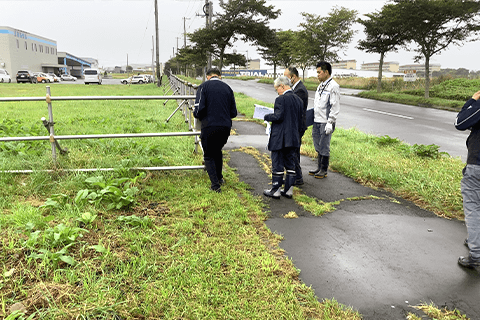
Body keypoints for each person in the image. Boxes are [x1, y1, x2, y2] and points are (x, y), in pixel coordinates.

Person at [194, 68, 237, 193]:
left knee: (208, 154)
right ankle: (220, 178)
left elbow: (199, 109)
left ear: (208, 76)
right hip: (225, 127)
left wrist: (196, 114)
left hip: (209, 125)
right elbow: (233, 112)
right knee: (217, 151)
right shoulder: (228, 88)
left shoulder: (203, 87)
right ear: (219, 76)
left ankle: (215, 186)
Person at [263, 76, 304, 199]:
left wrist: (267, 116)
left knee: (277, 163)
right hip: (293, 138)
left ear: (282, 85)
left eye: (277, 89)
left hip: (280, 138)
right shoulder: (299, 100)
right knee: (291, 164)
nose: (277, 91)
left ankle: (275, 190)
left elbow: (278, 116)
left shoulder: (280, 99)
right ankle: (288, 190)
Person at [456, 90, 480, 268]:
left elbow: (460, 122)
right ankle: (475, 238)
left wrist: (472, 100)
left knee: (473, 207)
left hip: (477, 166)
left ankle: (476, 253)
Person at [309, 61, 340, 179]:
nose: (317, 75)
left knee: (324, 145)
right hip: (317, 120)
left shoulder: (333, 86)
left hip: (326, 122)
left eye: (319, 72)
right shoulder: (321, 85)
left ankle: (324, 169)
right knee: (317, 144)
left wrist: (330, 122)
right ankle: (318, 167)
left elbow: (335, 106)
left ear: (326, 72)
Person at [284, 66, 309, 185]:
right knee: (293, 151)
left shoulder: (300, 90)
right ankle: (294, 176)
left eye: (286, 77)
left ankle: (297, 177)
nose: (284, 79)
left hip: (297, 126)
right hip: (295, 125)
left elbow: (295, 109)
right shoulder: (296, 88)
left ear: (293, 77)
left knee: (293, 151)